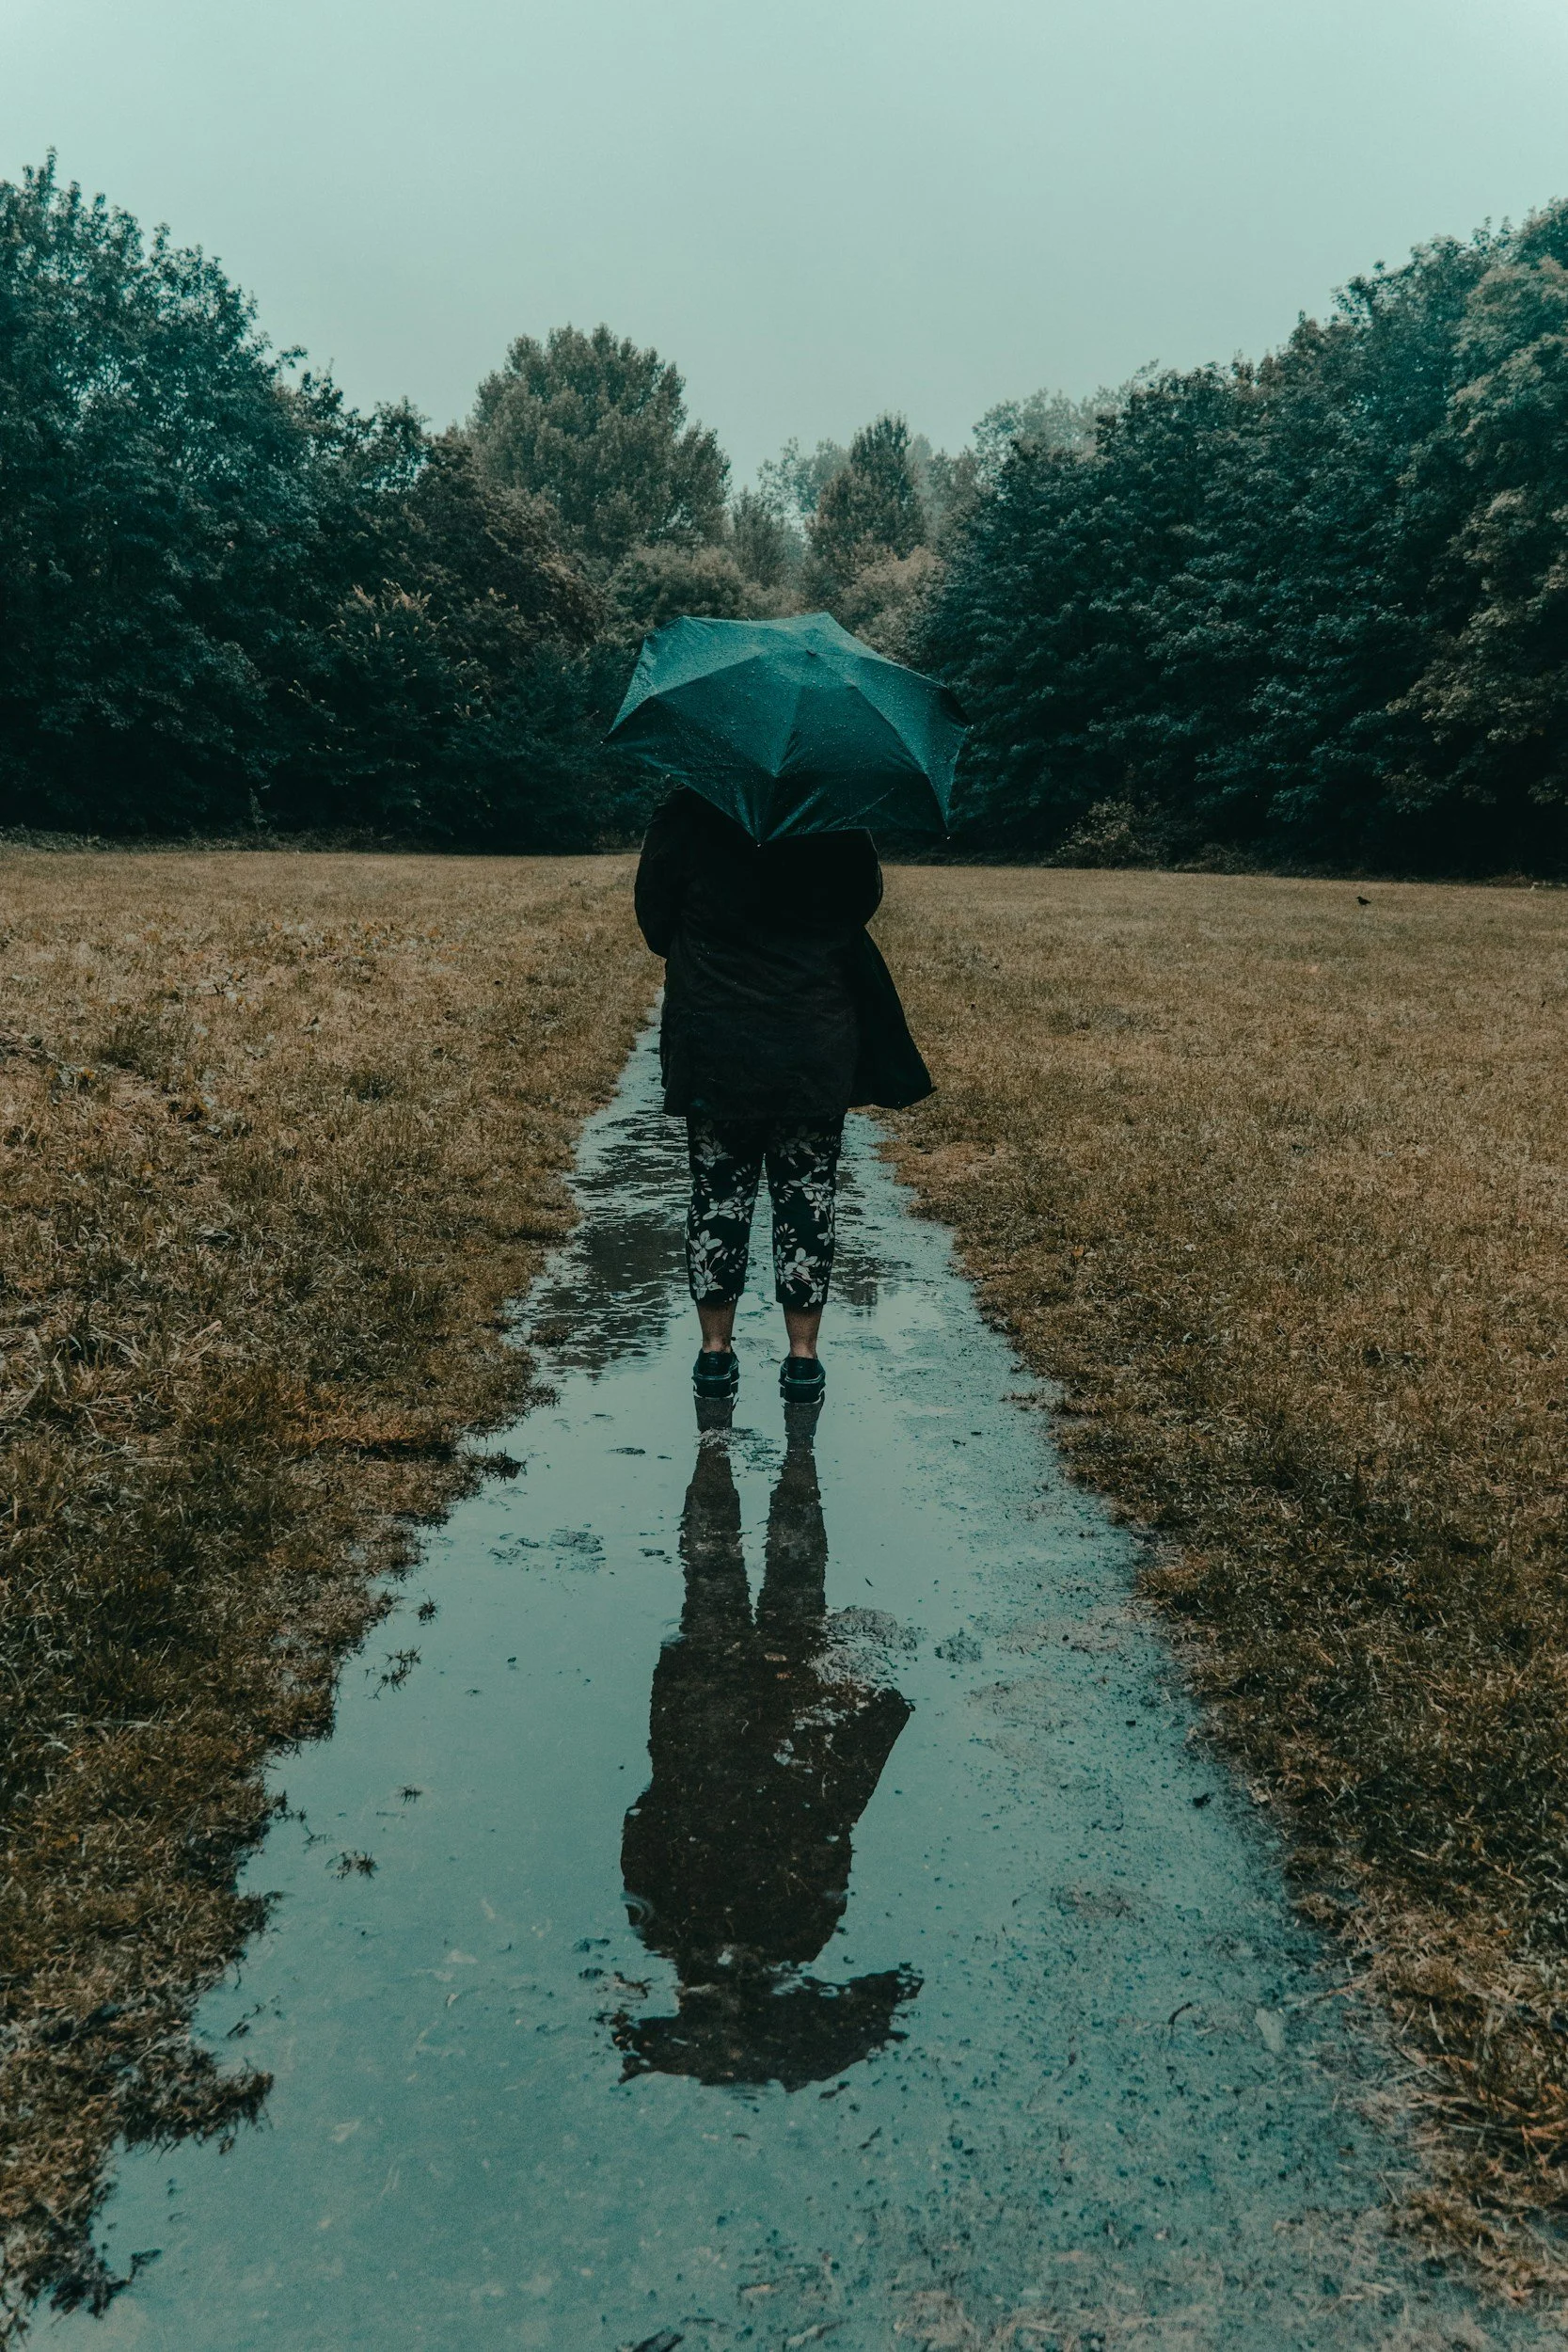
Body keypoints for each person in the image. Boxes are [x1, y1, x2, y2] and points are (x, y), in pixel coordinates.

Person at [634, 786, 932, 1404]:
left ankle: (714, 1356)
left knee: (718, 1195)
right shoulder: (832, 810)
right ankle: (802, 1361)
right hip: (812, 1037)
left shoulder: (686, 811)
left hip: (715, 1036)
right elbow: (860, 905)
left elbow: (656, 924)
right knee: (807, 1198)